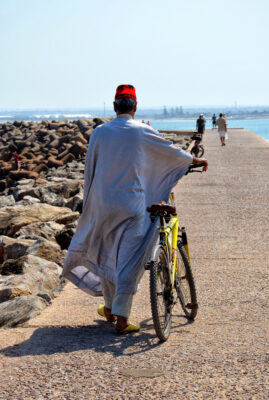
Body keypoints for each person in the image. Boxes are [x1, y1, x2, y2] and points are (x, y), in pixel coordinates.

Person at [62, 84, 208, 333]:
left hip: (101, 204)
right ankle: (121, 317)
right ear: (135, 107)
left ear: (114, 106)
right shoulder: (142, 131)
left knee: (107, 252)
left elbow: (90, 169)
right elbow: (170, 152)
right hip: (130, 206)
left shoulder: (99, 133)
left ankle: (109, 307)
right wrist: (195, 160)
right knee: (131, 259)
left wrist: (90, 203)